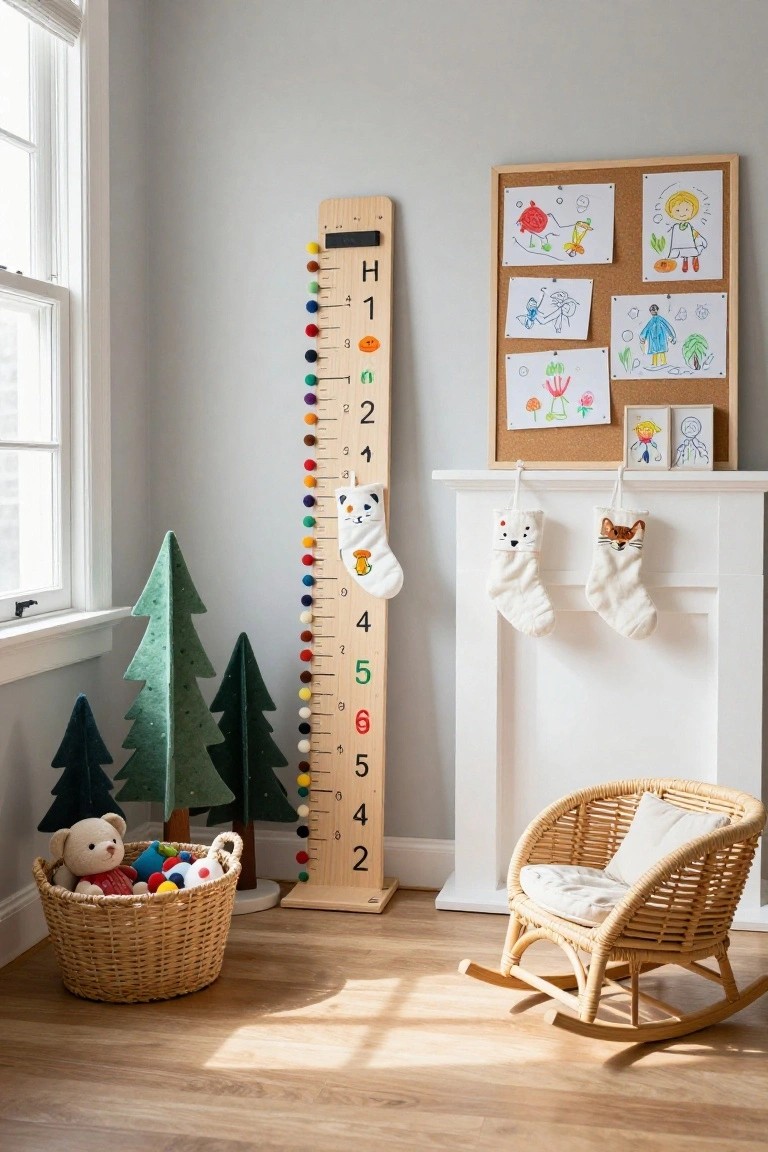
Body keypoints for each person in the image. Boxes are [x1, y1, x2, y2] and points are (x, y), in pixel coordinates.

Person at [665, 190, 708, 273]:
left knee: (691, 251)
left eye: (686, 209)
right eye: (677, 210)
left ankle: (695, 259)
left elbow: (694, 233)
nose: (682, 213)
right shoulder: (675, 227)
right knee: (684, 254)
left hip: (690, 245)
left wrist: (699, 237)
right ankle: (685, 261)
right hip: (679, 245)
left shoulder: (688, 226)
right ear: (671, 211)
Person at [639, 304, 676, 368]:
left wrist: (671, 336)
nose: (653, 312)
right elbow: (647, 328)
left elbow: (667, 327)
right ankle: (655, 364)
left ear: (657, 310)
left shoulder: (660, 319)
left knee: (661, 350)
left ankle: (663, 363)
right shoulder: (651, 320)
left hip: (661, 338)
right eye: (652, 310)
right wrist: (643, 337)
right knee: (654, 351)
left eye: (654, 310)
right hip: (653, 339)